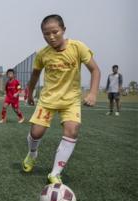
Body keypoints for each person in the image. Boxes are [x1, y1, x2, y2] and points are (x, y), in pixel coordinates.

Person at [21, 14, 100, 184]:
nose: (51, 37)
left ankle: (55, 173)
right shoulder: (43, 54)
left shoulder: (78, 47)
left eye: (55, 32)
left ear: (63, 30)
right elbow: (35, 75)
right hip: (48, 100)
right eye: (46, 34)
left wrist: (93, 93)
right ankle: (32, 154)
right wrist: (30, 93)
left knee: (72, 130)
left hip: (71, 101)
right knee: (36, 133)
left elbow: (95, 70)